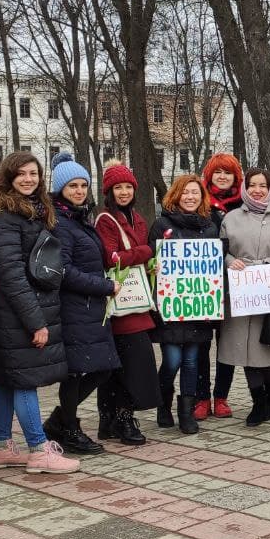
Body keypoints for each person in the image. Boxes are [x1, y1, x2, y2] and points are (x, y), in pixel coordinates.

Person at [0, 152, 79, 474]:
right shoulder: (3, 215)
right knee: (24, 381)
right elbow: (10, 274)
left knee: (8, 381)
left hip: (20, 312)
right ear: (7, 178)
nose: (28, 179)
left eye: (33, 173)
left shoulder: (31, 213)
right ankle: (38, 449)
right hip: (16, 314)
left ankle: (0, 447)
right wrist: (36, 321)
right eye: (20, 174)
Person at [43, 154, 121, 454]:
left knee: (101, 367)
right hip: (75, 308)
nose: (78, 191)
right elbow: (63, 271)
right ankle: (69, 427)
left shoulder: (79, 218)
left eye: (83, 185)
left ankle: (61, 422)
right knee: (80, 371)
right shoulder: (61, 223)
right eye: (72, 185)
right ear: (60, 188)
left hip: (90, 309)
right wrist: (104, 286)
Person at [219, 168, 270, 427]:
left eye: (263, 185)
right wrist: (231, 262)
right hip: (240, 292)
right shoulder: (231, 218)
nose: (257, 190)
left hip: (269, 293)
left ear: (269, 189)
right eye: (252, 185)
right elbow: (220, 249)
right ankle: (258, 401)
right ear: (245, 188)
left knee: (267, 349)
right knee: (245, 349)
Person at [94, 160, 160, 443]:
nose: (123, 192)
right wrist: (146, 252)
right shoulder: (105, 220)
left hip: (135, 300)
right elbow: (111, 259)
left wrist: (149, 264)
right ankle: (123, 417)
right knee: (133, 363)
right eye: (117, 187)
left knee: (124, 364)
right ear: (108, 192)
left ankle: (111, 419)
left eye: (128, 187)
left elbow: (130, 259)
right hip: (118, 302)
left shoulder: (139, 219)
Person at [149, 175, 220, 434]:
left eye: (195, 193)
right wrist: (152, 267)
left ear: (202, 197)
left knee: (191, 361)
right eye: (185, 192)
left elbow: (215, 268)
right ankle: (163, 404)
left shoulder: (210, 227)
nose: (190, 197)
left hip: (198, 308)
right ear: (176, 195)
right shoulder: (161, 226)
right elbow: (149, 262)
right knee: (172, 360)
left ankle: (186, 413)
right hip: (171, 307)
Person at [199, 153, 243, 419]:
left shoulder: (243, 207)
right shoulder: (199, 204)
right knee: (202, 345)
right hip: (202, 286)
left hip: (233, 287)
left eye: (228, 172)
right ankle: (201, 397)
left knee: (227, 345)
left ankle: (222, 396)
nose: (223, 177)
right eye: (218, 172)